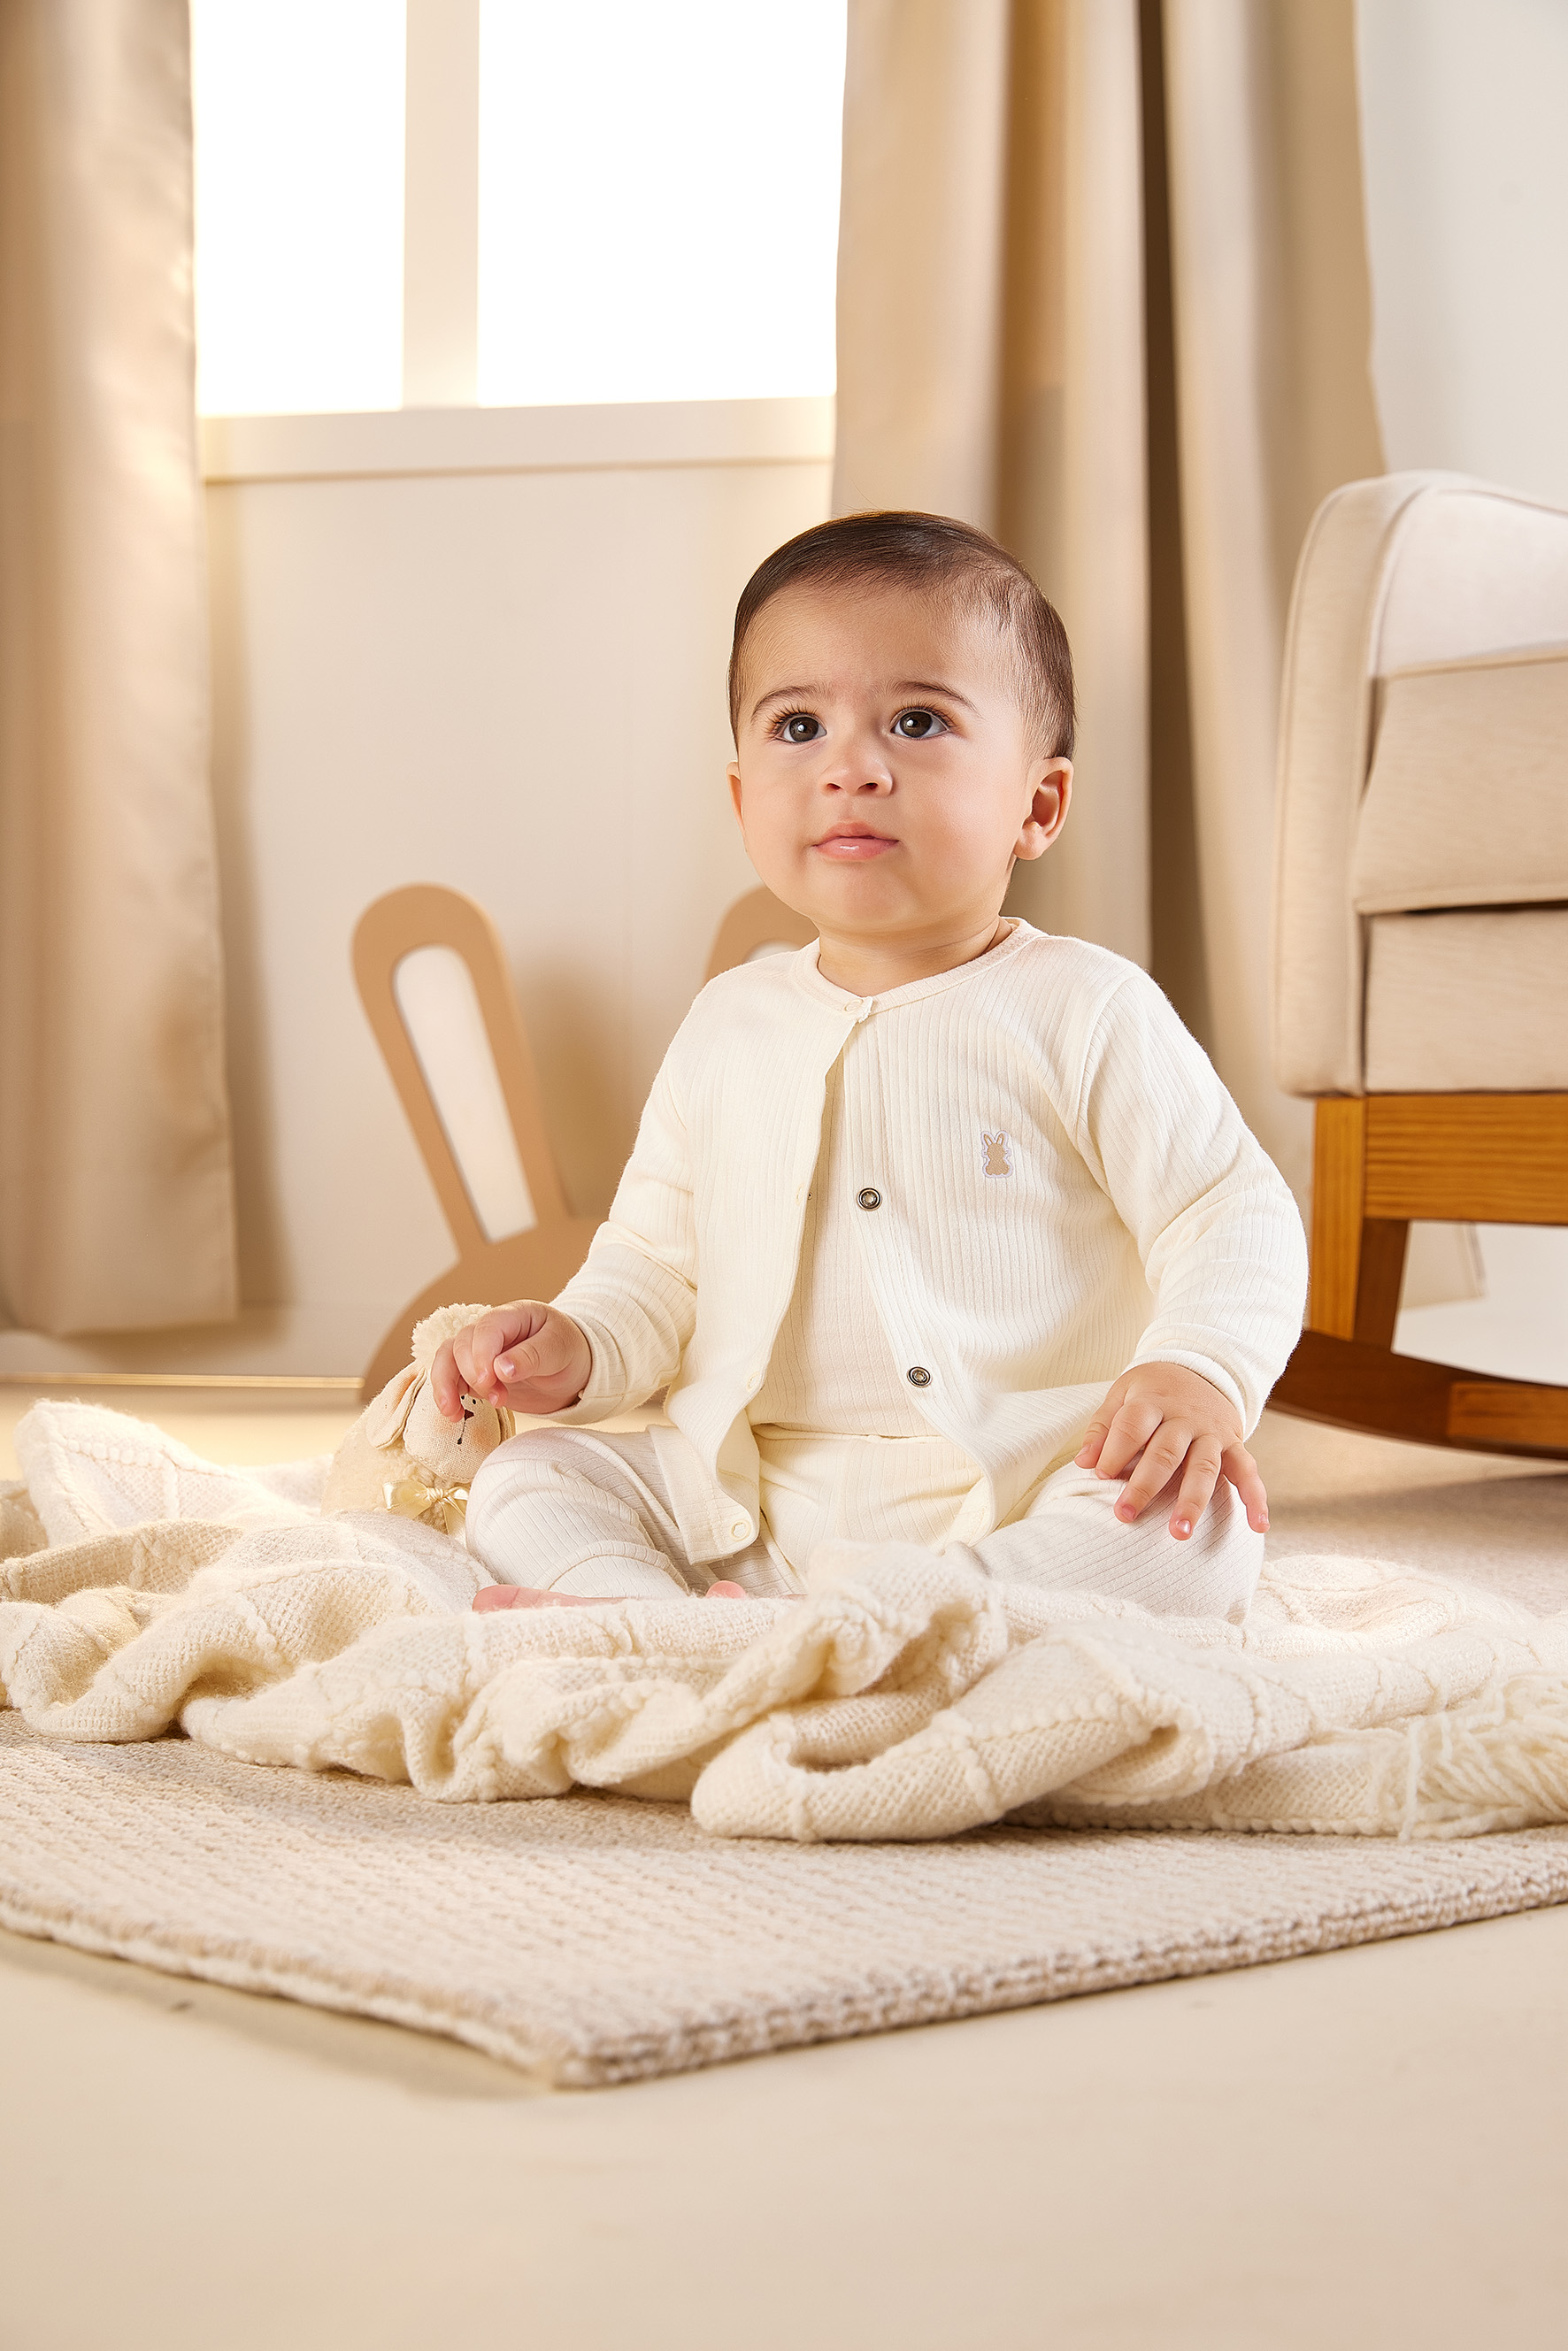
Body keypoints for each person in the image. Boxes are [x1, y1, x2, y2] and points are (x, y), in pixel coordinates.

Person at [435, 511, 1307, 1621]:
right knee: (529, 1473)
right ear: (743, 798)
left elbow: (1227, 1211)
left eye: (915, 720)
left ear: (1036, 804)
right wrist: (578, 1344)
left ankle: (808, 1626)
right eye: (798, 725)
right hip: (756, 1496)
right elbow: (655, 1264)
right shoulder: (727, 1024)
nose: (850, 767)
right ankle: (658, 1617)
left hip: (1024, 1484)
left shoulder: (1084, 1007)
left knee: (1198, 1528)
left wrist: (1198, 1368)